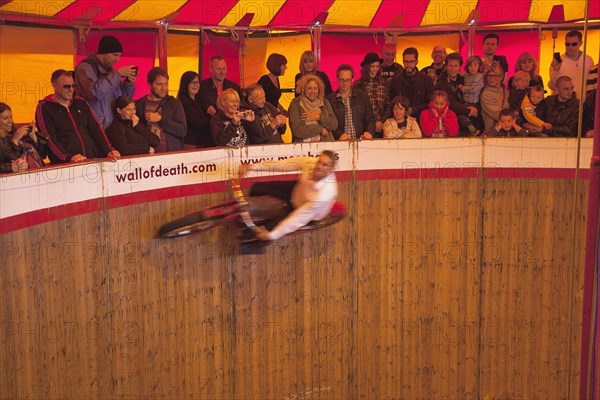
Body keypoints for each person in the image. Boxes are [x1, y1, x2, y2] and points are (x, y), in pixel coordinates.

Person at [239, 150, 338, 242]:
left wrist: (271, 235)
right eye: (319, 162)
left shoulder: (325, 194)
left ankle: (247, 239)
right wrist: (253, 167)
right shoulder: (311, 163)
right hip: (298, 190)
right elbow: (283, 164)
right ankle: (249, 211)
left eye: (324, 165)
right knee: (257, 188)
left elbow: (299, 217)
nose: (319, 166)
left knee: (266, 231)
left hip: (308, 213)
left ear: (331, 169)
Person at [36, 69, 120, 164]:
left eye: (73, 86)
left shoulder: (81, 102)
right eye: (66, 86)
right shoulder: (44, 107)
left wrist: (109, 150)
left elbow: (96, 129)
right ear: (54, 86)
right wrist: (68, 157)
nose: (71, 90)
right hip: (65, 164)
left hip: (91, 159)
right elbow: (49, 138)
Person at [74, 35, 137, 128]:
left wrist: (129, 83)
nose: (118, 60)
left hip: (112, 127)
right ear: (103, 53)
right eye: (115, 55)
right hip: (95, 127)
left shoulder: (110, 72)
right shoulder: (85, 68)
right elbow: (94, 93)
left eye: (119, 56)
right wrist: (117, 74)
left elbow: (123, 100)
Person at [134, 67, 187, 152]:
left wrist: (160, 119)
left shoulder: (174, 103)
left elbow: (182, 131)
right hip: (146, 155)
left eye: (166, 84)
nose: (164, 88)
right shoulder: (139, 104)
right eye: (159, 84)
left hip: (171, 156)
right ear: (149, 84)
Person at [327, 64, 375, 141]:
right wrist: (339, 135)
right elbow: (329, 123)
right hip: (340, 142)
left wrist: (369, 132)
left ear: (352, 79)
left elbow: (370, 118)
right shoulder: (330, 100)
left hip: (361, 140)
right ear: (337, 79)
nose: (344, 83)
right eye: (342, 79)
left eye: (347, 80)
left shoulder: (362, 96)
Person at [435, 52, 480, 135]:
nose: (453, 69)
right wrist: (468, 111)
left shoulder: (464, 79)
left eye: (456, 66)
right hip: (451, 120)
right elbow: (450, 103)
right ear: (446, 66)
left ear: (460, 67)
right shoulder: (441, 83)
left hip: (468, 116)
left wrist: (475, 109)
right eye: (450, 66)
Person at [388, 47, 434, 120]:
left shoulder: (426, 80)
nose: (408, 64)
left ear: (417, 62)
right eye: (406, 61)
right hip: (399, 120)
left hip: (420, 119)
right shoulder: (395, 80)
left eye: (411, 61)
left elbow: (431, 103)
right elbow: (390, 101)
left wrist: (413, 110)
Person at [289, 74, 337, 142]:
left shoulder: (325, 102)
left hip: (325, 145)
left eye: (315, 88)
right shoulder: (295, 104)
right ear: (303, 89)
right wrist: (319, 129)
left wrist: (319, 117)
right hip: (302, 148)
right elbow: (297, 131)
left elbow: (334, 125)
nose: (313, 91)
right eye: (309, 88)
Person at [0, 102, 45, 172]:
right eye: (5, 118)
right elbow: (14, 160)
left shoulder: (16, 132)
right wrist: (15, 140)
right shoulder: (11, 137)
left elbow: (43, 155)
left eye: (11, 117)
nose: (10, 121)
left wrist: (33, 138)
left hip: (36, 172)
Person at [549, 31, 594, 99]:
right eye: (567, 44)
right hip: (564, 106)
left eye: (573, 44)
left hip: (584, 104)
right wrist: (555, 71)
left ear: (580, 43)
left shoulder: (588, 60)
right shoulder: (558, 62)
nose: (570, 47)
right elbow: (552, 86)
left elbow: (592, 83)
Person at [355, 52, 388, 137]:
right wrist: (372, 124)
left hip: (383, 125)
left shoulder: (384, 83)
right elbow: (359, 108)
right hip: (365, 127)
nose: (375, 69)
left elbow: (388, 105)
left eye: (377, 66)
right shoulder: (358, 85)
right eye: (372, 66)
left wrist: (381, 121)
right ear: (366, 67)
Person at [177, 71, 212, 148]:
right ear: (186, 84)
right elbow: (197, 122)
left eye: (198, 82)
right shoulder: (183, 102)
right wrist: (209, 115)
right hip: (190, 144)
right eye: (193, 82)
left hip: (200, 143)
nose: (196, 85)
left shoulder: (199, 101)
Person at [480, 64, 508, 134]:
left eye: (495, 75)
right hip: (494, 131)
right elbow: (499, 115)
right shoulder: (486, 94)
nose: (492, 79)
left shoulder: (505, 91)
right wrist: (514, 116)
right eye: (489, 75)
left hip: (507, 130)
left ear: (501, 76)